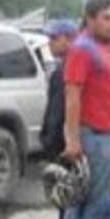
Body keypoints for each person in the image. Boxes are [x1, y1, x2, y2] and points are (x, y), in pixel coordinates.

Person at [61, 0, 110, 219]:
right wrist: (73, 140)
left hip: (102, 132)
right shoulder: (83, 50)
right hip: (92, 134)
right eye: (107, 18)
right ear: (90, 19)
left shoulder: (98, 48)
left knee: (82, 201)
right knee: (92, 202)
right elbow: (72, 96)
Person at [38, 19, 77, 158]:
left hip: (63, 146)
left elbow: (57, 113)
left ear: (69, 39)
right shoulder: (69, 67)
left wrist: (49, 141)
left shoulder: (64, 73)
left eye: (54, 38)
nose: (49, 42)